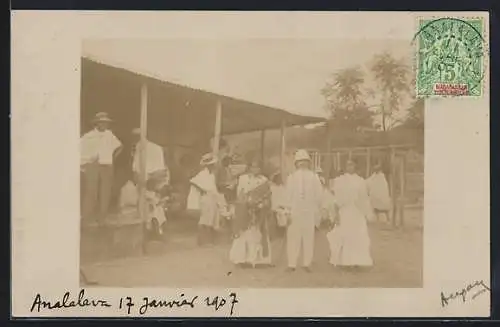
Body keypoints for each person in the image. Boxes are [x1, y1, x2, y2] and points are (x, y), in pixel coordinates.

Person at [327, 160, 374, 270]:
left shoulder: (360, 181)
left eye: (352, 165)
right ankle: (345, 261)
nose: (350, 167)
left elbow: (364, 198)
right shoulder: (340, 180)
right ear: (345, 167)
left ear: (355, 166)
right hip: (345, 211)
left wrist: (367, 213)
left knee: (357, 236)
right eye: (348, 165)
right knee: (345, 235)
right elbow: (336, 199)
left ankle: (357, 260)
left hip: (357, 212)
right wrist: (336, 213)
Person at [283, 149, 324, 272]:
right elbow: (288, 196)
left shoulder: (314, 177)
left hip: (309, 211)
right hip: (295, 211)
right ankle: (292, 264)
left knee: (308, 237)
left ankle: (307, 263)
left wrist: (318, 211)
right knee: (293, 236)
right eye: (300, 162)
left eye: (305, 161)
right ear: (296, 163)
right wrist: (287, 211)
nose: (302, 164)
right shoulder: (291, 178)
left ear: (308, 163)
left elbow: (319, 195)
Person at [229, 159, 273, 268]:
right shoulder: (243, 179)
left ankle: (259, 260)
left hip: (259, 212)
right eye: (253, 167)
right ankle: (242, 259)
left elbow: (268, 197)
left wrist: (261, 205)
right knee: (244, 235)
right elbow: (240, 195)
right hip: (245, 211)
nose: (255, 169)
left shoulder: (264, 180)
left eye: (257, 167)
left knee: (258, 234)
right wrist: (247, 204)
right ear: (249, 168)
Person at [80, 112, 122, 224]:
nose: (104, 125)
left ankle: (102, 217)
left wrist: (112, 157)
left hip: (107, 165)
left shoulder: (109, 135)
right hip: (92, 165)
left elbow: (119, 147)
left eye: (106, 123)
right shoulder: (88, 136)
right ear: (96, 123)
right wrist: (87, 160)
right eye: (102, 123)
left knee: (105, 191)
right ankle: (87, 217)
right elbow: (79, 150)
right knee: (91, 191)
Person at [189, 153, 229, 246]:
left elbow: (213, 188)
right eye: (213, 164)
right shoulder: (202, 174)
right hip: (205, 198)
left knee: (212, 219)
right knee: (205, 219)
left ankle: (209, 240)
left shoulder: (211, 175)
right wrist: (201, 190)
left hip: (212, 198)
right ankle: (203, 241)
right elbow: (194, 182)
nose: (214, 166)